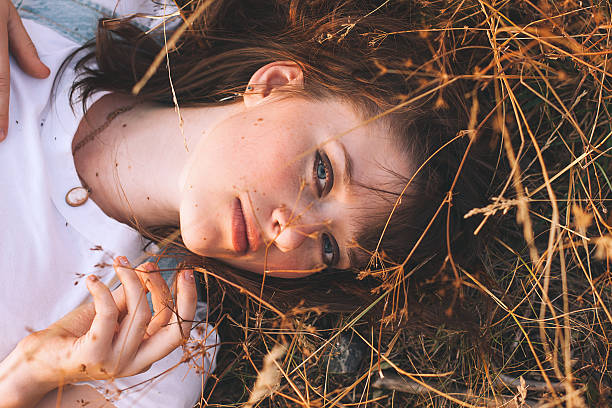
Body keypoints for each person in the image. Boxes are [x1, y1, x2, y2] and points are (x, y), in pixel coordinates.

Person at [0, 0, 490, 406]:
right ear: (274, 85)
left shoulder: (155, 355)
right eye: (323, 174)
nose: (292, 234)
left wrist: (26, 378)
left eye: (328, 249)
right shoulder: (114, 9)